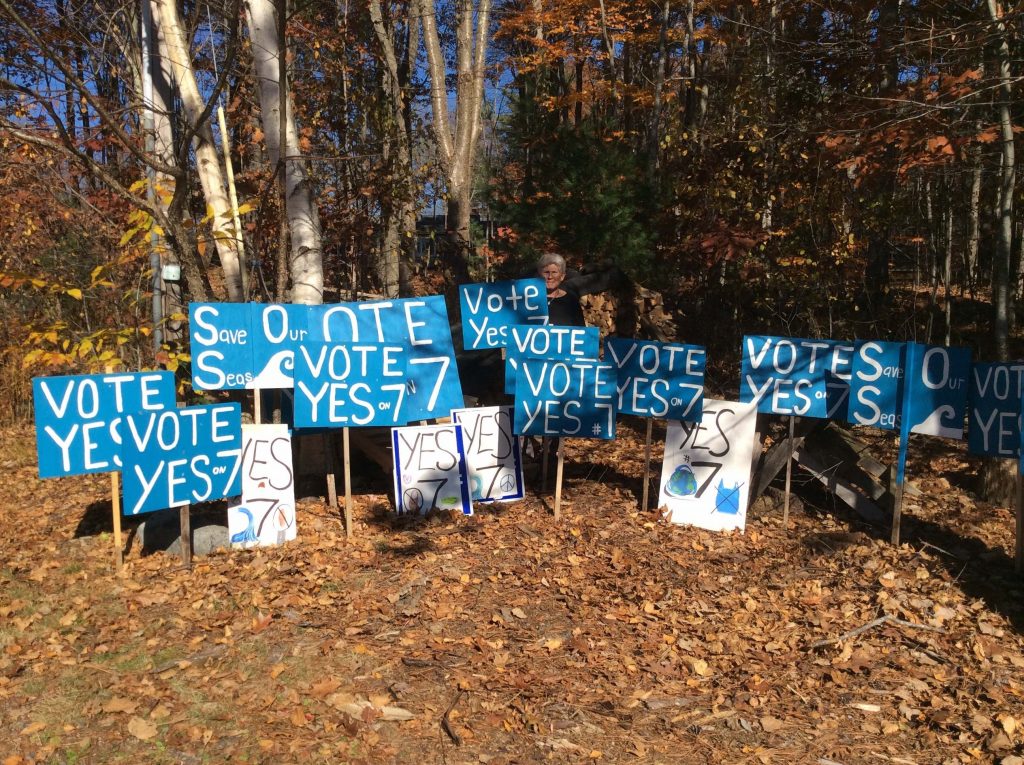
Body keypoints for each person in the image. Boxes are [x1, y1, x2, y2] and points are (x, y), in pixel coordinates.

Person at [537, 252, 586, 327]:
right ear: (539, 275)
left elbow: (581, 332)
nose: (550, 277)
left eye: (554, 272)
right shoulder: (529, 299)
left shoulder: (571, 301)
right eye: (546, 272)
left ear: (562, 276)